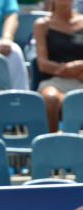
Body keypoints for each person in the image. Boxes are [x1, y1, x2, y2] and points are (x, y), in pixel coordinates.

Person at [34, 0, 83, 132]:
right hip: (54, 81)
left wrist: (78, 65)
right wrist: (70, 70)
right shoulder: (42, 25)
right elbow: (42, 64)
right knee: (50, 98)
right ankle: (53, 143)